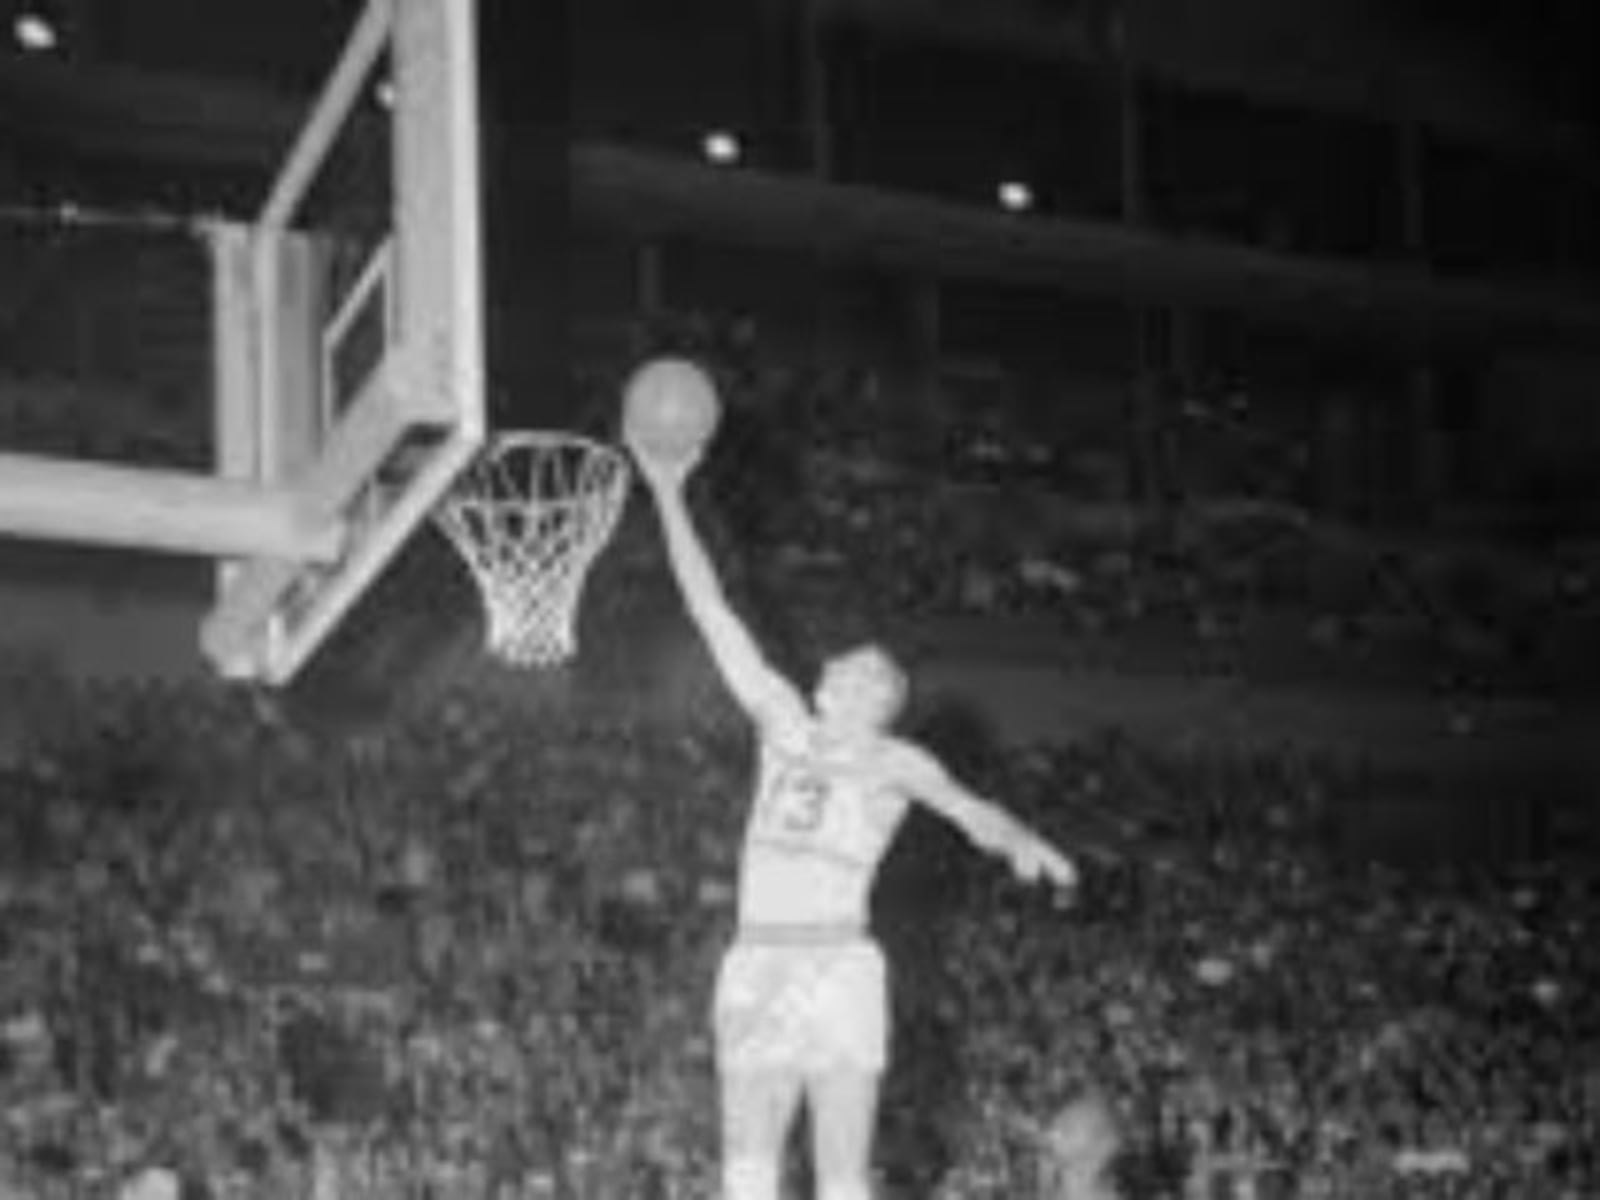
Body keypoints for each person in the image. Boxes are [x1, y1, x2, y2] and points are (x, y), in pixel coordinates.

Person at [634, 428, 1078, 1200]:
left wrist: (1023, 842)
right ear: (828, 688)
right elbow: (711, 609)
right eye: (848, 662)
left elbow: (970, 813)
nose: (849, 663)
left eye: (871, 668)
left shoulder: (893, 761)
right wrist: (669, 492)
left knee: (842, 1173)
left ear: (879, 702)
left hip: (838, 963)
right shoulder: (780, 720)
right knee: (747, 1167)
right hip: (758, 957)